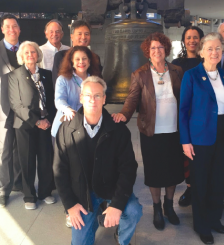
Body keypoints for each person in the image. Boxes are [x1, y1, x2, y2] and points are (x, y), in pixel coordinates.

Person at [53, 76, 142, 245]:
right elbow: (59, 170)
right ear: (81, 98)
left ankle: (122, 238)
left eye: (97, 95)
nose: (92, 100)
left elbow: (128, 168)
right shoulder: (65, 129)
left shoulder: (119, 129)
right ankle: (92, 220)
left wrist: (117, 204)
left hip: (111, 187)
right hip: (83, 192)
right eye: (88, 95)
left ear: (104, 99)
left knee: (133, 211)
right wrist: (70, 205)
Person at [112, 32, 184, 231]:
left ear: (166, 49)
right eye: (153, 48)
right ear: (147, 51)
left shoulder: (177, 71)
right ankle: (157, 209)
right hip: (150, 131)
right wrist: (123, 115)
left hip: (174, 130)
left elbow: (185, 98)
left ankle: (169, 206)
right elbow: (132, 99)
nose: (157, 51)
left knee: (172, 170)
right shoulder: (140, 74)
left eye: (160, 47)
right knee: (154, 172)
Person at [179, 32, 224, 245]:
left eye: (218, 48)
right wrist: (185, 141)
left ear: (222, 52)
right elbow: (184, 110)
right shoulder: (192, 75)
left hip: (223, 134)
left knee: (216, 180)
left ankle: (214, 220)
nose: (214, 52)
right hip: (200, 137)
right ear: (202, 51)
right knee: (200, 182)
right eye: (210, 48)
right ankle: (202, 225)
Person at [8, 41, 56, 210]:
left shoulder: (46, 74)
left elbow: (51, 100)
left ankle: (45, 192)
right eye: (27, 53)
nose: (30, 55)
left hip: (46, 123)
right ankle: (29, 195)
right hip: (25, 125)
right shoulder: (15, 75)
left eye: (33, 52)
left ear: (38, 54)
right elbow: (16, 105)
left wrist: (49, 118)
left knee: (45, 159)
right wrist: (37, 121)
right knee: (27, 161)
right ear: (21, 56)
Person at [171, 25, 204, 208]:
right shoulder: (177, 63)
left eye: (195, 37)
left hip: (202, 115)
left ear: (201, 39)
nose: (192, 41)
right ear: (184, 41)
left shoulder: (207, 61)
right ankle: (191, 188)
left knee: (203, 153)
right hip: (183, 113)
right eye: (188, 38)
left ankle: (206, 188)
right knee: (187, 154)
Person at [51, 46, 101, 140]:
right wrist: (68, 109)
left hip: (88, 130)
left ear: (89, 61)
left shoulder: (95, 80)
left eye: (84, 58)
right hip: (65, 129)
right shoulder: (62, 79)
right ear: (72, 62)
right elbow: (59, 100)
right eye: (77, 59)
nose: (81, 62)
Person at [0, 14, 23, 208]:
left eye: (14, 26)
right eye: (7, 27)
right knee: (6, 150)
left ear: (19, 29)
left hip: (23, 108)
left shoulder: (27, 50)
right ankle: (4, 189)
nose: (11, 30)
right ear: (2, 29)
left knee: (21, 148)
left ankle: (19, 182)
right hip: (4, 108)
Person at [52, 19, 102, 87]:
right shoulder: (61, 56)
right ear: (72, 37)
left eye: (86, 34)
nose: (83, 37)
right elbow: (57, 86)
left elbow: (99, 83)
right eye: (79, 34)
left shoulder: (95, 58)